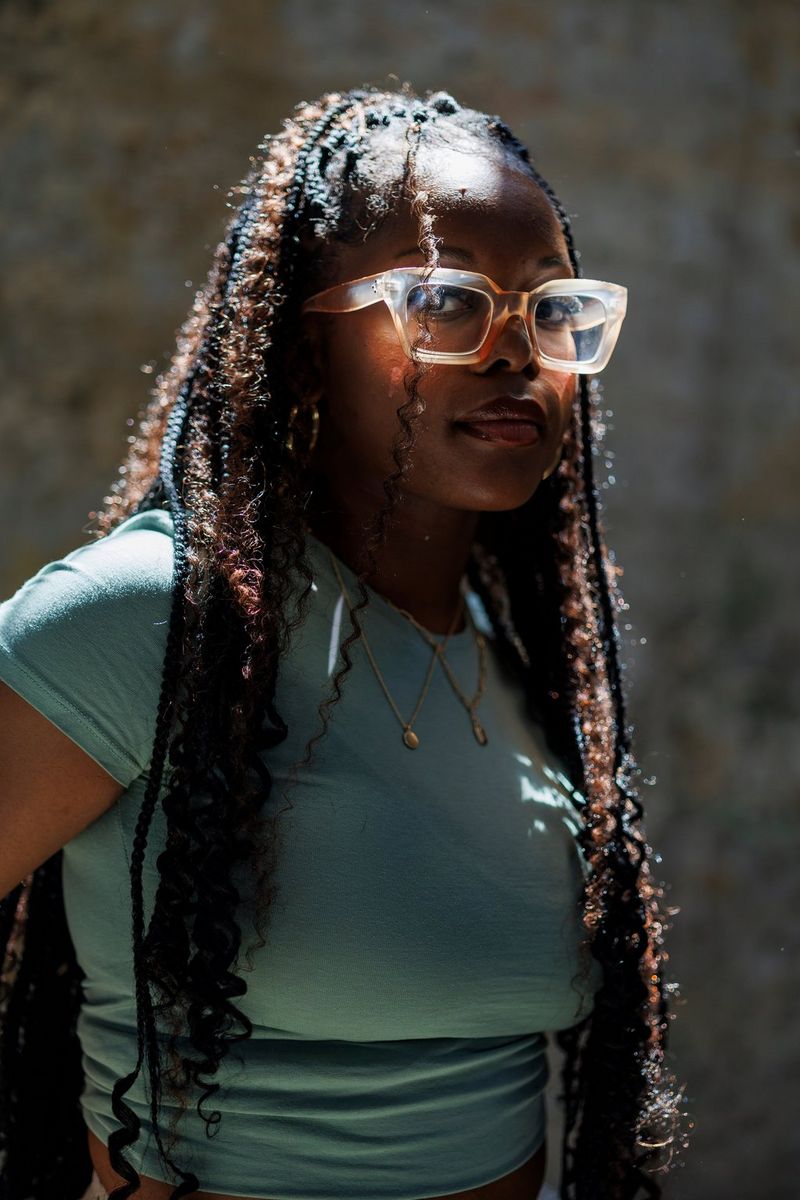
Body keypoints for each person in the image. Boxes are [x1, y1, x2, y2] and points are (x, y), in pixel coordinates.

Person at [0, 83, 689, 1200]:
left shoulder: (507, 664)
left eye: (551, 309)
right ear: (301, 347)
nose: (517, 351)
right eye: (442, 298)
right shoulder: (148, 619)